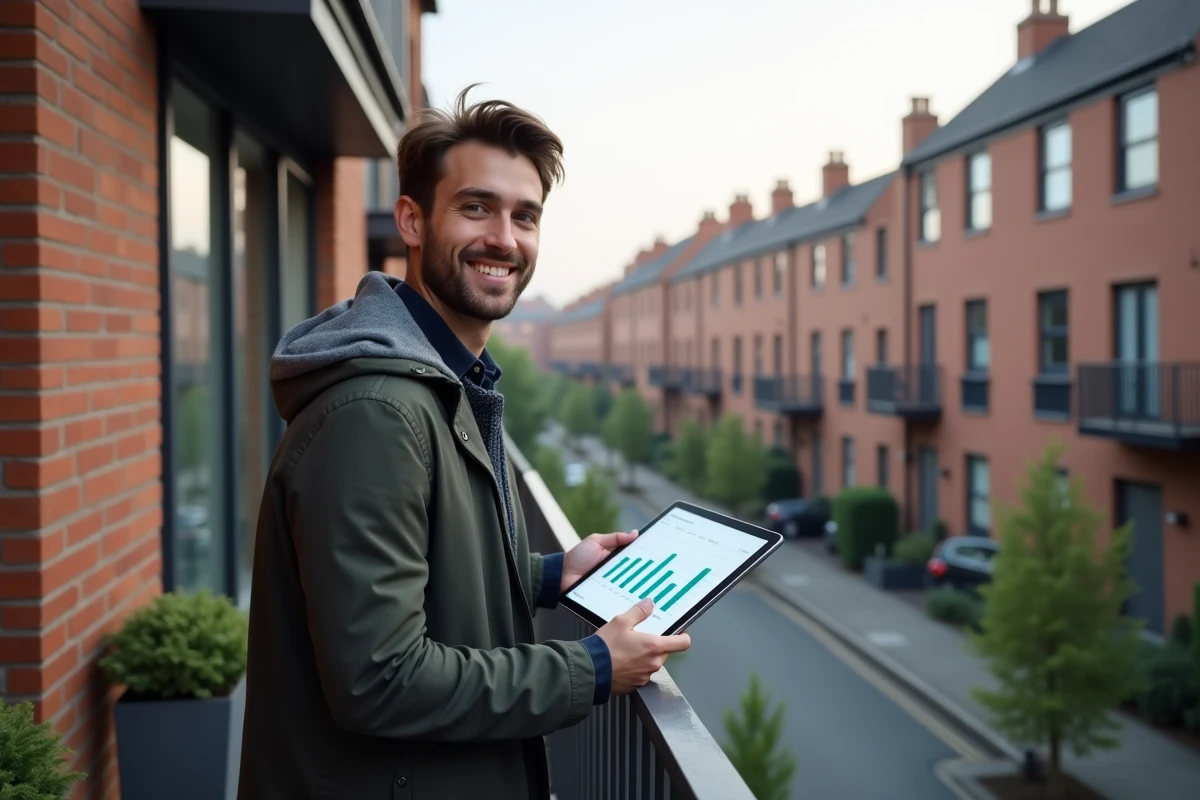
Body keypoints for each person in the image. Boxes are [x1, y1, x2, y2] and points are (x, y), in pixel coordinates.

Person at [237, 86, 691, 800]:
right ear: (412, 221)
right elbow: (379, 680)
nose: (504, 239)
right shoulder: (377, 412)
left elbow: (417, 555)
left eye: (525, 216)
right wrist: (594, 667)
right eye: (476, 207)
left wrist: (548, 573)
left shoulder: (440, 379)